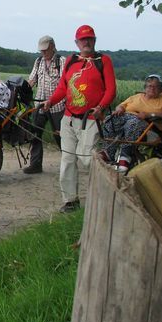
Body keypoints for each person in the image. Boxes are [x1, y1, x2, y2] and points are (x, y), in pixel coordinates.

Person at [44, 24, 116, 213]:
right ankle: (70, 200)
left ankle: (109, 189)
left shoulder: (104, 61)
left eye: (90, 39)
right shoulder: (70, 61)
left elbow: (111, 90)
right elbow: (63, 87)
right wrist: (51, 101)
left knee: (86, 159)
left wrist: (101, 107)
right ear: (77, 42)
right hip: (68, 118)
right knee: (67, 159)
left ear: (94, 41)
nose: (87, 42)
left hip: (91, 118)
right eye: (83, 39)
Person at [101, 75, 162, 172]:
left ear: (160, 89)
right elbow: (122, 105)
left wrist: (149, 114)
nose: (152, 88)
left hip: (148, 127)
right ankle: (108, 152)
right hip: (126, 119)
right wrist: (120, 109)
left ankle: (125, 156)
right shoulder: (136, 97)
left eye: (155, 86)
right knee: (109, 119)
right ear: (145, 87)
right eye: (149, 86)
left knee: (133, 123)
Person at [25, 35, 65, 174]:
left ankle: (68, 163)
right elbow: (32, 79)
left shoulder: (61, 61)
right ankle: (35, 165)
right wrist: (24, 89)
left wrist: (55, 99)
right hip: (40, 104)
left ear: (52, 47)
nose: (43, 53)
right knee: (35, 133)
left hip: (57, 105)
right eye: (41, 50)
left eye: (46, 50)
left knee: (60, 135)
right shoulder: (38, 61)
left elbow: (65, 84)